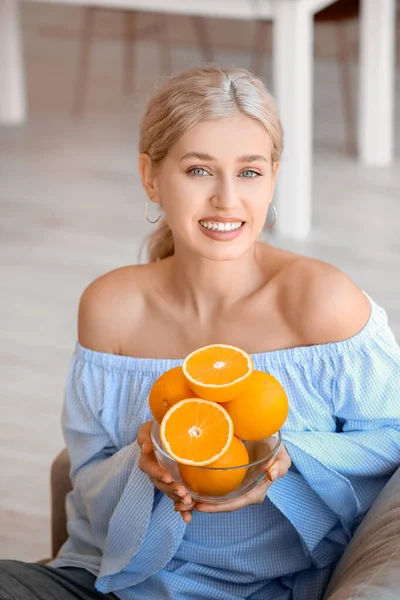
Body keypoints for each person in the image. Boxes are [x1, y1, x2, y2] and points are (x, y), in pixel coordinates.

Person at [1, 65, 400, 600]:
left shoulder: (322, 304)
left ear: (274, 176)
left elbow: (392, 440)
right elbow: (87, 480)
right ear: (151, 176)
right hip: (109, 588)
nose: (227, 200)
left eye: (250, 172)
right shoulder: (110, 308)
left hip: (274, 591)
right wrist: (143, 465)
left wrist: (289, 457)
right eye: (198, 170)